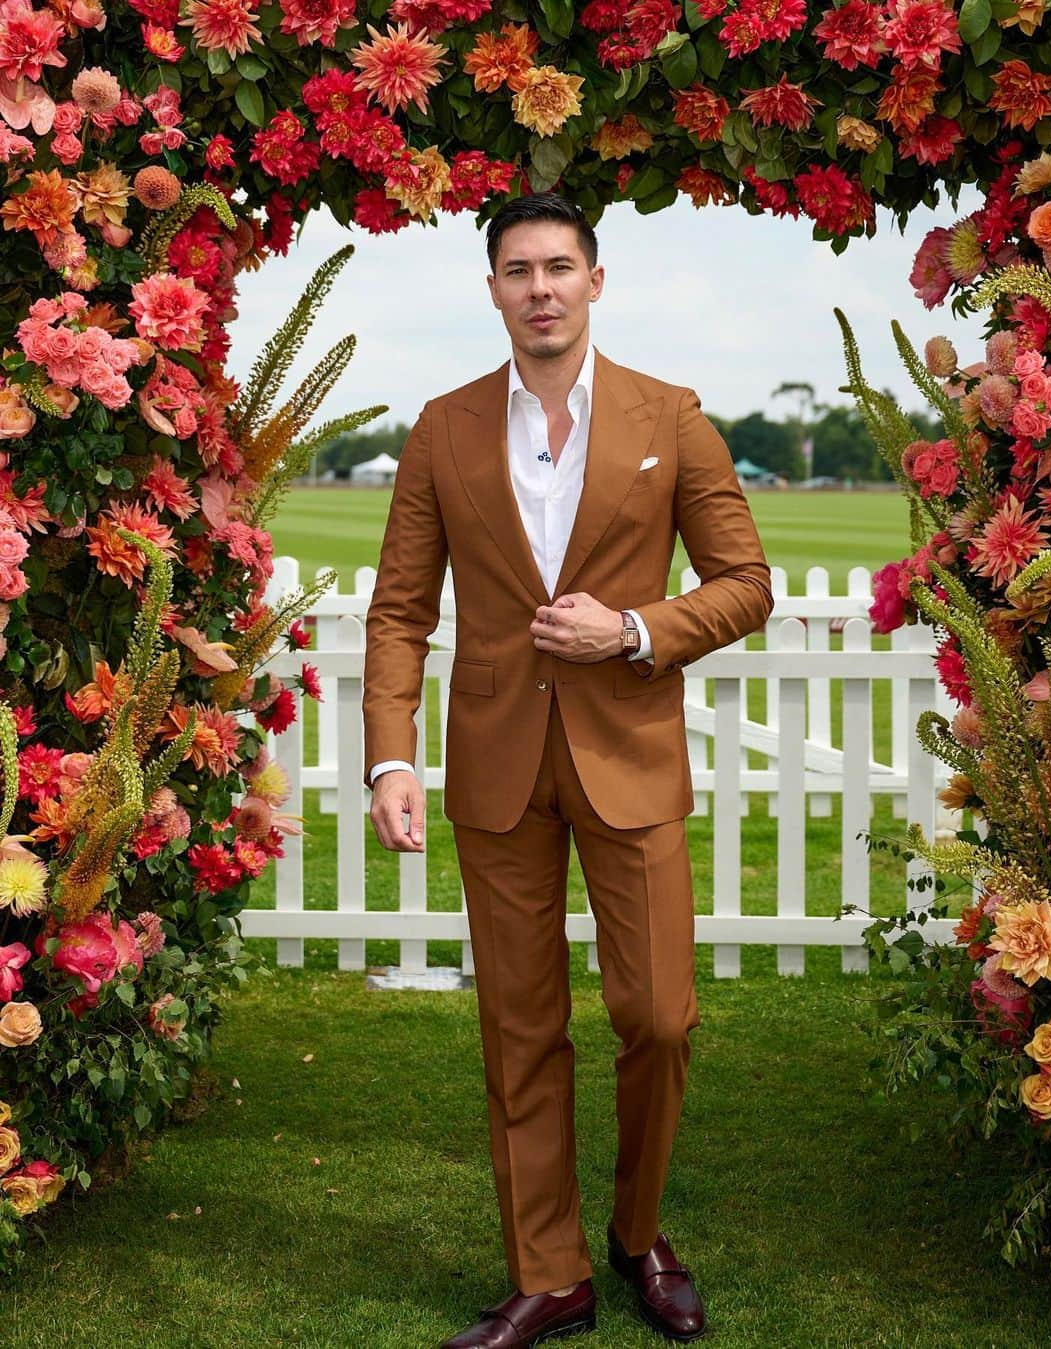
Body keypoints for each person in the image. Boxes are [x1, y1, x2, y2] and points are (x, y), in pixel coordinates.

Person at [362, 193, 773, 1348]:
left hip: (628, 756)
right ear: (490, 289)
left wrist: (634, 630)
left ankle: (639, 1235)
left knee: (661, 1015)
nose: (539, 287)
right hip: (496, 766)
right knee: (520, 1025)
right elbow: (400, 608)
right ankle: (550, 1272)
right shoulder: (441, 427)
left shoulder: (673, 416)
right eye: (516, 269)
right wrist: (390, 753)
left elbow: (745, 580)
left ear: (598, 280)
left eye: (559, 266)